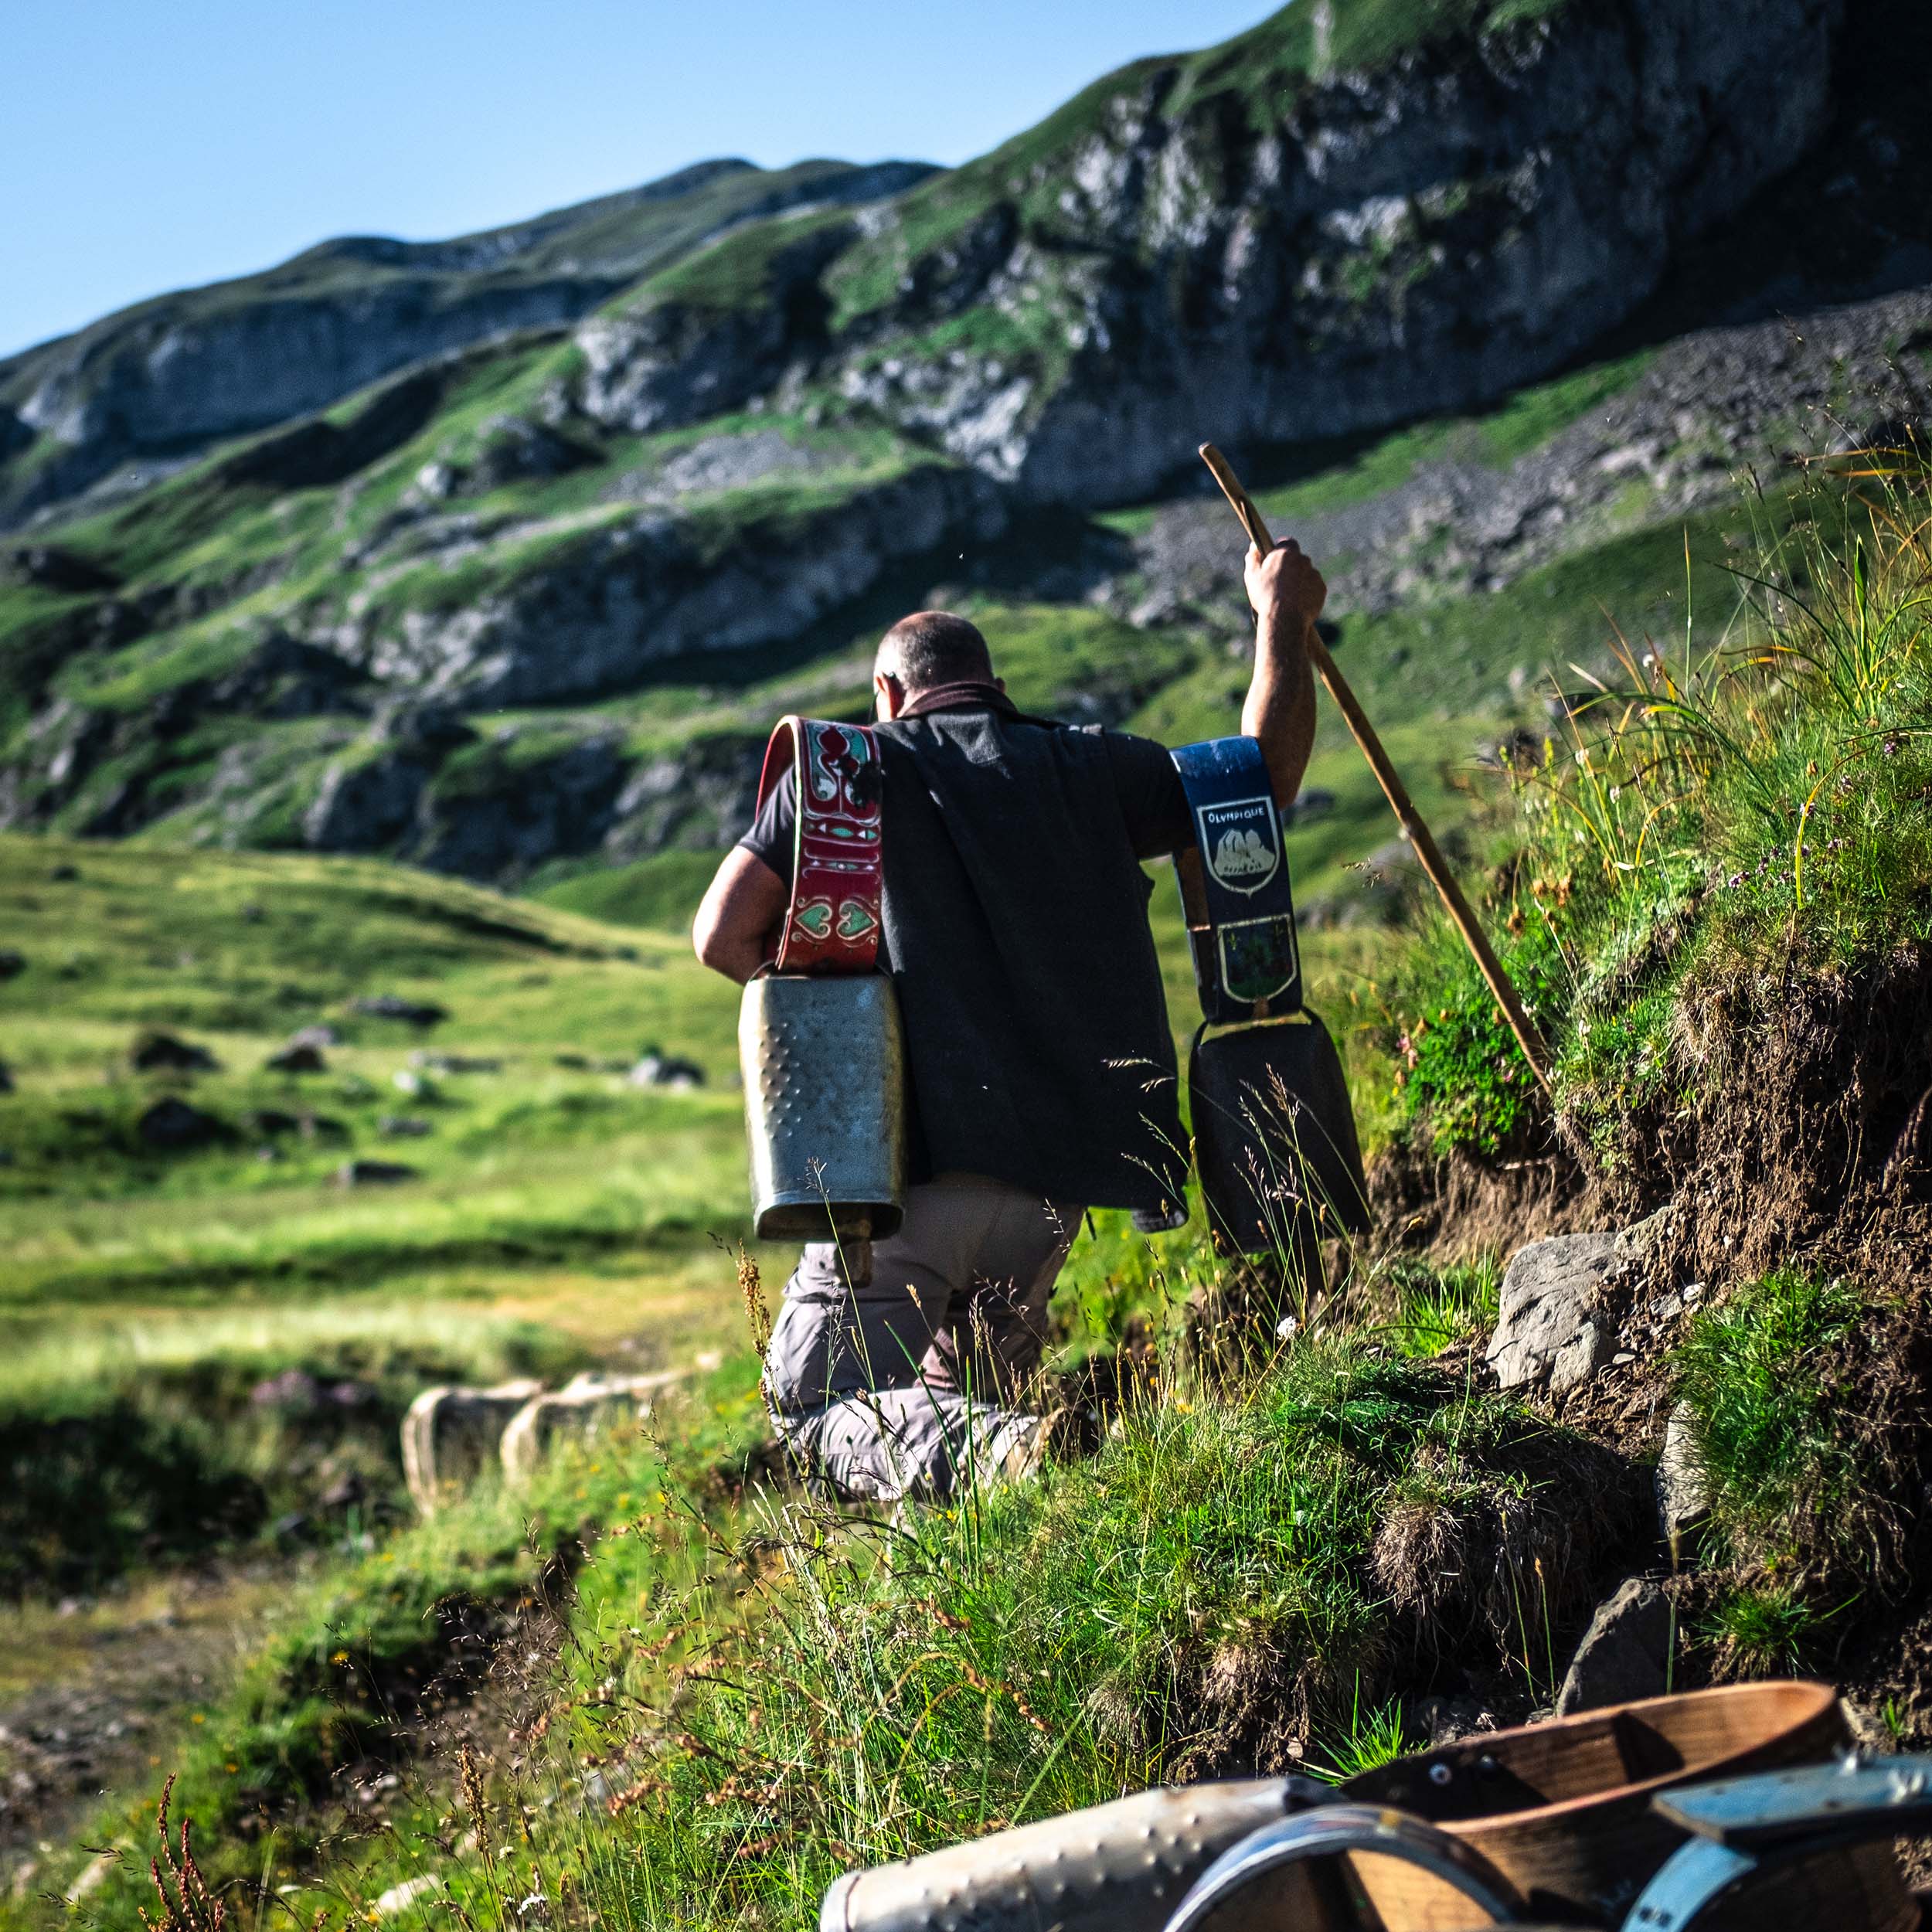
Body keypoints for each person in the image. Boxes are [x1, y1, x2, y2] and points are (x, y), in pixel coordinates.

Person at [692, 539, 1325, 1502]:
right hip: (1054, 1197)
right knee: (967, 1421)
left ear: (887, 694)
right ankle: (989, 1535)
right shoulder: (1090, 768)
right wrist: (1281, 617)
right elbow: (1257, 783)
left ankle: (1007, 1453)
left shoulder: (847, 771)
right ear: (991, 685)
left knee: (819, 1408)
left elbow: (721, 933)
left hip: (908, 1177)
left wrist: (849, 1014)